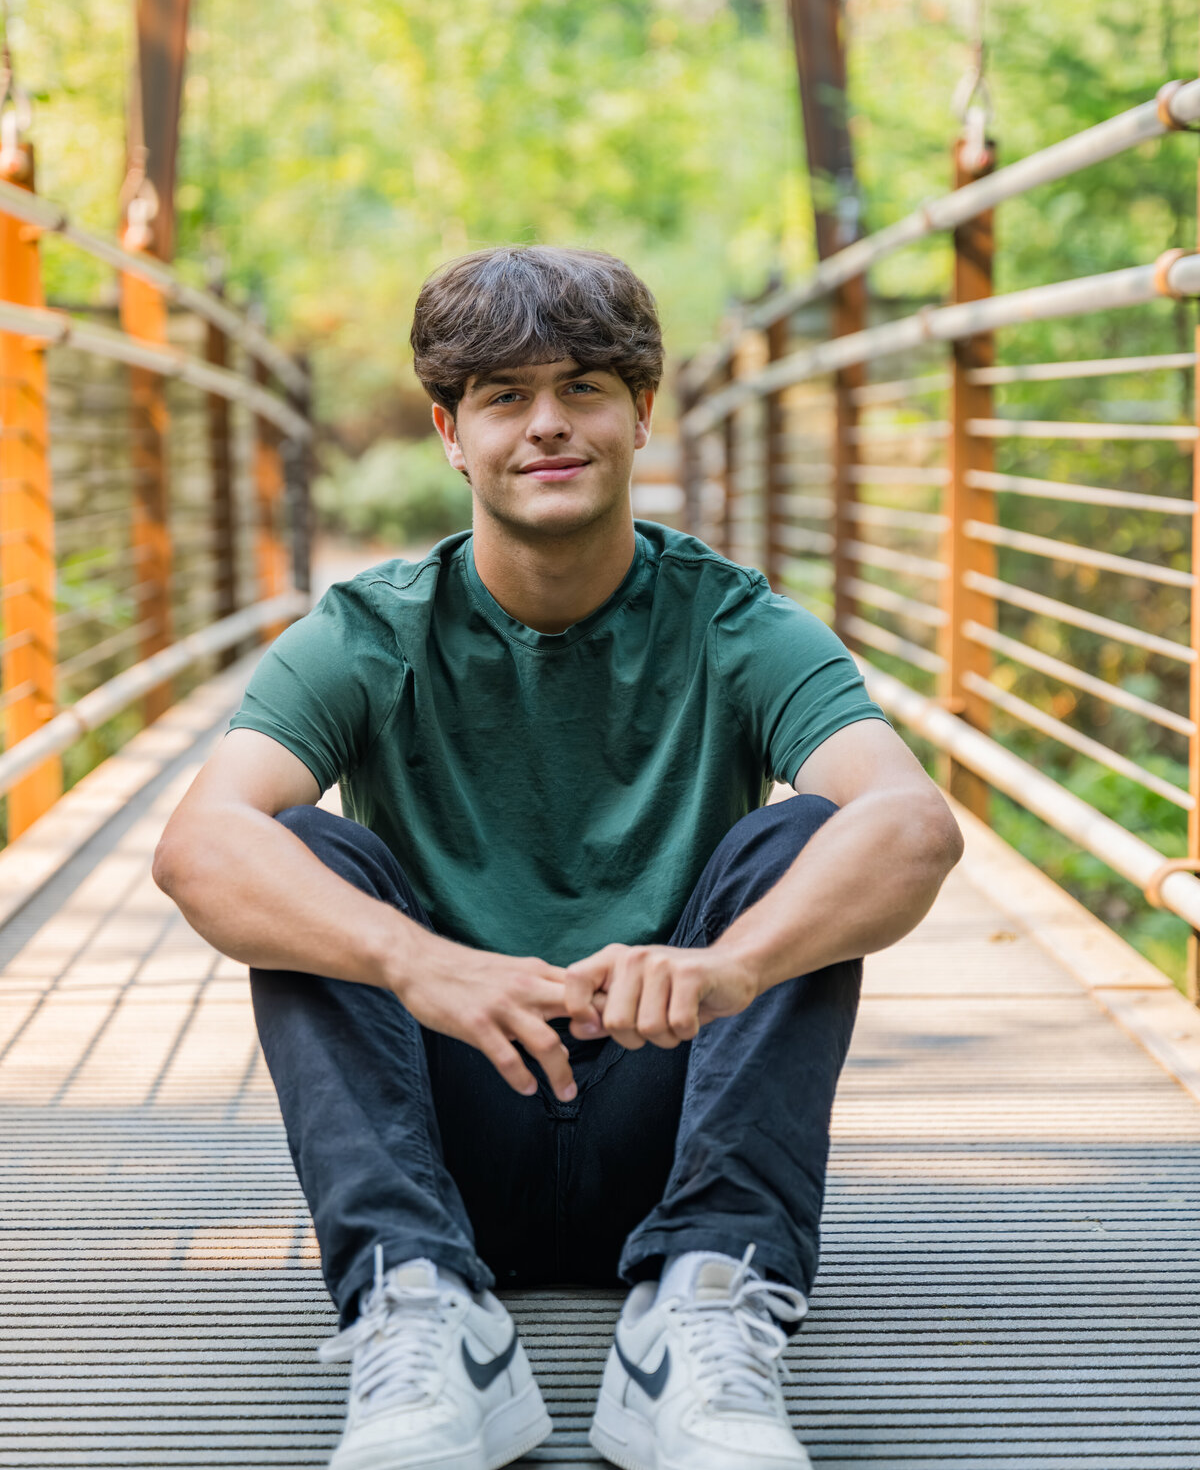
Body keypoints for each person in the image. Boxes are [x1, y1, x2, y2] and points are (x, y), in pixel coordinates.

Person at [154, 245, 962, 1470]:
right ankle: (421, 1311)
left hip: (674, 1113)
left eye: (585, 387)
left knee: (810, 839)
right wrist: (417, 962)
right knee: (296, 857)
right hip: (452, 1135)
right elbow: (196, 846)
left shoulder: (738, 623)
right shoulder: (371, 632)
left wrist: (728, 970)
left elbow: (913, 826)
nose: (548, 426)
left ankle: (703, 1308)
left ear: (644, 414)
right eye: (504, 395)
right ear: (449, 430)